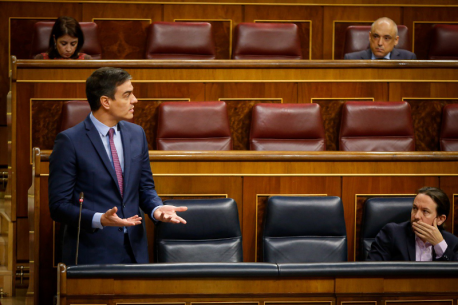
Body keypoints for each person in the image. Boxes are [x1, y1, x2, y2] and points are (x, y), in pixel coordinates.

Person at [49, 67, 187, 265]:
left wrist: (157, 209)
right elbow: (58, 207)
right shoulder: (69, 141)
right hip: (92, 253)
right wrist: (100, 219)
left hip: (134, 252)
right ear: (105, 101)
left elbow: (145, 188)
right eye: (127, 94)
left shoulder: (136, 134)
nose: (135, 100)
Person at [367, 186, 458, 261]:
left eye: (425, 211)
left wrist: (439, 245)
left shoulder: (452, 243)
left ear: (440, 219)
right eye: (415, 208)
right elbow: (372, 271)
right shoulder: (392, 234)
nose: (417, 216)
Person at [344, 17, 416, 60]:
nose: (380, 43)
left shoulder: (408, 58)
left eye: (386, 38)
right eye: (375, 36)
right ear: (370, 36)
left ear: (396, 40)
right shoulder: (352, 59)